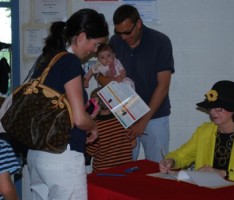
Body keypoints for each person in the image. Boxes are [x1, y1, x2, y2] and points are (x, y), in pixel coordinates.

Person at [26, 9, 109, 200]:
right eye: (96, 44)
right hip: (62, 155)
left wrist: (87, 110)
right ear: (81, 37)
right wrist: (93, 125)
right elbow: (79, 119)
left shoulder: (47, 58)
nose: (95, 51)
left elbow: (60, 108)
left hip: (36, 154)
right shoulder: (70, 62)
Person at [159, 80, 234, 189]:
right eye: (211, 107)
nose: (213, 112)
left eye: (218, 107)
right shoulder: (204, 131)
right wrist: (171, 161)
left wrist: (224, 174)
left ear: (233, 108)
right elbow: (182, 154)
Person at [97, 4, 175, 162]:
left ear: (138, 23)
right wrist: (111, 80)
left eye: (127, 32)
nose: (123, 37)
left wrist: (143, 120)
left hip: (155, 118)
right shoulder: (115, 42)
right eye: (119, 33)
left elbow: (163, 86)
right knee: (123, 169)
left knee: (157, 170)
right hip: (123, 117)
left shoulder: (160, 41)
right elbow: (99, 76)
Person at [86, 87, 135, 172]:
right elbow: (133, 144)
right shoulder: (124, 120)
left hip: (104, 172)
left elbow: (91, 151)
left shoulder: (95, 127)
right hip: (126, 169)